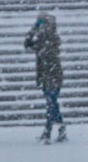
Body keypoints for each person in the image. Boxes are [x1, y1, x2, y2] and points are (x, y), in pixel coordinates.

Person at [25, 12, 67, 144]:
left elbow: (47, 53)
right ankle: (61, 129)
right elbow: (27, 44)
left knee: (51, 104)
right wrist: (33, 29)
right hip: (44, 77)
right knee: (53, 105)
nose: (42, 27)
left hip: (53, 76)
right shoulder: (41, 38)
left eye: (42, 23)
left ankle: (48, 132)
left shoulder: (53, 38)